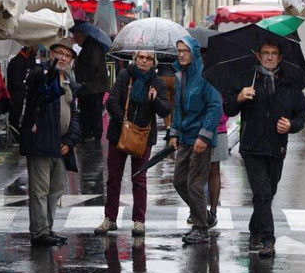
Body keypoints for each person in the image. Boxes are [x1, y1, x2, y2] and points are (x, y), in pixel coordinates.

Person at [223, 39, 305, 258]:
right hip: (252, 147)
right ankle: (268, 239)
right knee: (261, 193)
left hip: (276, 148)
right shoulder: (247, 80)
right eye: (266, 53)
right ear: (259, 56)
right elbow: (228, 109)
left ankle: (254, 231)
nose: (270, 57)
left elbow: (301, 113)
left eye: (274, 53)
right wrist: (239, 98)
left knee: (267, 194)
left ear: (280, 58)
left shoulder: (289, 85)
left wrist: (291, 125)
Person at [95, 50, 171, 237]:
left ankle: (139, 221)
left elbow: (165, 110)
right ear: (135, 59)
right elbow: (112, 102)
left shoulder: (157, 82)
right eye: (140, 57)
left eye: (148, 58)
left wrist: (155, 100)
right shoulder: (124, 76)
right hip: (119, 133)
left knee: (139, 178)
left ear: (153, 62)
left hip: (143, 136)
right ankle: (110, 218)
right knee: (114, 177)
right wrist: (125, 123)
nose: (144, 61)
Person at [19, 37, 80, 247]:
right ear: (51, 53)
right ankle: (39, 231)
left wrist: (70, 140)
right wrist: (50, 73)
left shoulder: (69, 80)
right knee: (40, 189)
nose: (63, 58)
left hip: (60, 145)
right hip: (41, 142)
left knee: (56, 189)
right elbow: (37, 87)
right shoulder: (40, 73)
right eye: (59, 53)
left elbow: (74, 114)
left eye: (67, 55)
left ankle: (48, 228)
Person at [170, 36, 223, 245]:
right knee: (179, 181)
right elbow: (178, 107)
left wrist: (204, 136)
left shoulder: (205, 75)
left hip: (200, 139)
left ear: (194, 52)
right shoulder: (179, 75)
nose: (182, 54)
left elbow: (214, 106)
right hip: (185, 137)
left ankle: (201, 228)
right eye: (179, 50)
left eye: (185, 50)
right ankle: (205, 216)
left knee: (194, 184)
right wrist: (174, 132)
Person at [72, 28, 109, 142]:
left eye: (76, 36)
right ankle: (89, 132)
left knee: (94, 110)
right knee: (89, 110)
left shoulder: (92, 47)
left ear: (81, 35)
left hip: (93, 86)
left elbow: (92, 65)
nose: (75, 39)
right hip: (91, 86)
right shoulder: (89, 46)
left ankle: (94, 133)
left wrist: (83, 80)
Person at [208, 111, 230, 226]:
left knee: (214, 170)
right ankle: (197, 209)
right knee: (195, 171)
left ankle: (213, 210)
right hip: (195, 128)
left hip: (218, 129)